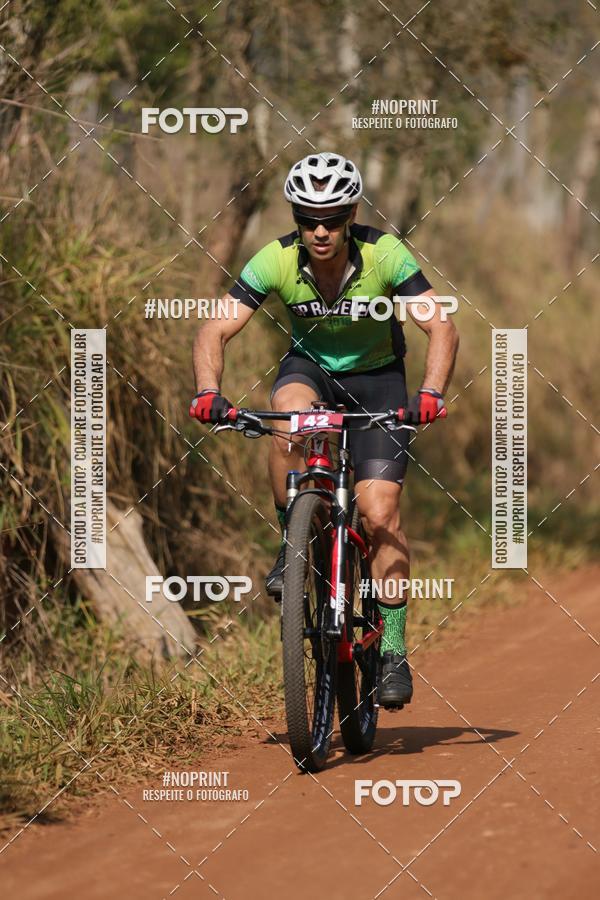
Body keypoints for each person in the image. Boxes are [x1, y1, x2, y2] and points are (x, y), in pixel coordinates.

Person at [190, 152, 459, 708]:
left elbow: (441, 327)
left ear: (350, 214)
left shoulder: (384, 253)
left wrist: (430, 393)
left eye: (333, 218)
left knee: (380, 511)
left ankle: (391, 648)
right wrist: (208, 392)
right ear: (295, 216)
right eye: (307, 216)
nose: (319, 230)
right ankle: (293, 540)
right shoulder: (275, 259)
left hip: (378, 382)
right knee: (287, 418)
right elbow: (215, 329)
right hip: (309, 372)